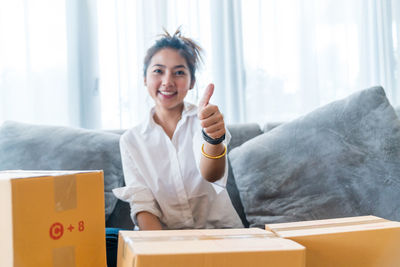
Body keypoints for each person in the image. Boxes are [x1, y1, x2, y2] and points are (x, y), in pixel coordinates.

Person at [113, 29, 243, 230]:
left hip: (220, 236)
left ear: (191, 82)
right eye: (158, 71)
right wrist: (164, 254)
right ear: (145, 78)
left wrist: (213, 139)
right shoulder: (131, 140)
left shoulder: (206, 120)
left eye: (179, 72)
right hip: (167, 243)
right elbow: (143, 206)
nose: (167, 81)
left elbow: (213, 174)